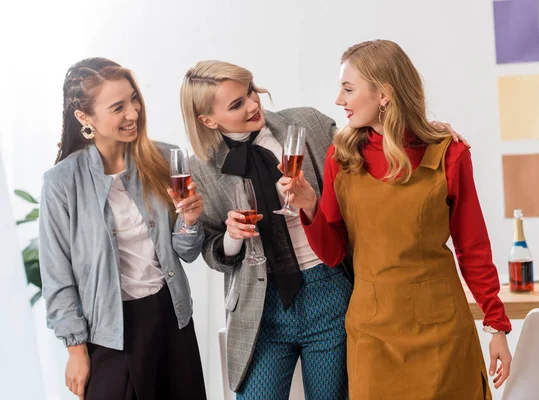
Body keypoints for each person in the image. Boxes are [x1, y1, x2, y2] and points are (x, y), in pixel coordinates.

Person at [179, 60, 466, 399]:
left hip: (328, 291)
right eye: (237, 104)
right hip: (261, 310)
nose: (254, 104)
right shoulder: (203, 169)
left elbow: (370, 144)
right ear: (208, 120)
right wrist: (231, 237)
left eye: (251, 91)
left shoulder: (307, 124)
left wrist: (419, 132)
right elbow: (212, 252)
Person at [282, 40, 512, 399]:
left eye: (348, 88)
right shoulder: (340, 157)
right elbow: (333, 253)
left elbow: (473, 246)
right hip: (373, 335)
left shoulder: (448, 153)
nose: (339, 100)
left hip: (442, 333)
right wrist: (310, 205)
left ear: (384, 93)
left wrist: (496, 324)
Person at [39, 57, 207, 400]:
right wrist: (76, 350)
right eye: (118, 107)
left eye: (134, 99)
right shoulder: (61, 182)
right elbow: (57, 276)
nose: (133, 113)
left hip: (171, 319)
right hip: (110, 334)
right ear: (84, 117)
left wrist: (190, 222)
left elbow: (186, 253)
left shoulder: (166, 159)